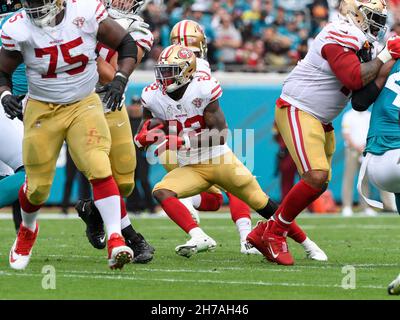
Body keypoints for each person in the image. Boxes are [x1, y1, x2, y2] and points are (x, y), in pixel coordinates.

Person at [135, 44, 326, 261]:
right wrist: (142, 138)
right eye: (162, 71)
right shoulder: (152, 95)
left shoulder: (203, 89)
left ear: (186, 72)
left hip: (218, 159)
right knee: (162, 191)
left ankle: (308, 244)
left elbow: (220, 134)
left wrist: (181, 141)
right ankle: (199, 236)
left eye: (170, 72)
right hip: (190, 166)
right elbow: (146, 124)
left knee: (263, 204)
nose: (164, 77)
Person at [254, 0, 400, 266]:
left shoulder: (365, 42)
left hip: (320, 118)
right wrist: (385, 56)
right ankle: (274, 233)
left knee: (318, 183)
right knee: (316, 176)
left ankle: (266, 231)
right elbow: (354, 78)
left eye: (381, 18)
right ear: (356, 13)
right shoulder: (340, 32)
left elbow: (360, 101)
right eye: (373, 17)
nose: (378, 24)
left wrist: (386, 64)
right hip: (298, 108)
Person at [1, 0, 140, 270]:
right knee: (37, 187)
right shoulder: (19, 27)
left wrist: (120, 78)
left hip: (83, 103)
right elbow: (2, 70)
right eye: (31, 3)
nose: (35, 8)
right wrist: (5, 94)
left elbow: (126, 43)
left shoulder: (85, 12)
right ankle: (27, 230)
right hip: (42, 108)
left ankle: (115, 239)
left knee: (98, 165)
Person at [74, 0, 155, 264]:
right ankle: (129, 237)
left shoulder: (140, 30)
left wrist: (82, 49)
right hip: (78, 105)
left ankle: (92, 211)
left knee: (126, 183)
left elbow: (112, 74)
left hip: (111, 102)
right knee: (101, 172)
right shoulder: (82, 14)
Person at [0, 0, 26, 233]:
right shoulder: (18, 23)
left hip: (9, 104)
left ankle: (23, 235)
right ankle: (24, 233)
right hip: (13, 104)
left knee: (7, 175)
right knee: (32, 172)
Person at [126, 96, 157, 214]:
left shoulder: (146, 121)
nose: (135, 107)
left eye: (137, 104)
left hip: (143, 155)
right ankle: (134, 206)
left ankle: (151, 207)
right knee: (131, 181)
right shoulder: (126, 121)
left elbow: (152, 138)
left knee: (144, 180)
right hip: (129, 156)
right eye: (133, 104)